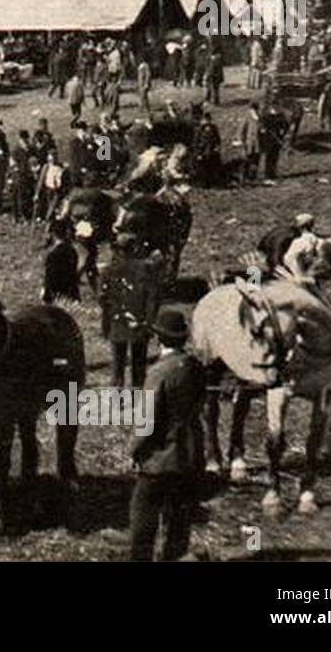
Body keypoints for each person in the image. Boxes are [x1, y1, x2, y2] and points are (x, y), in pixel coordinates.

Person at [129, 307, 206, 561]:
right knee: (178, 520)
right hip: (189, 457)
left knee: (143, 520)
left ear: (158, 338)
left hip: (158, 461)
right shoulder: (194, 366)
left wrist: (134, 451)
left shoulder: (159, 372)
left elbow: (146, 421)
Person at [99, 232, 164, 389]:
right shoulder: (147, 269)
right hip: (139, 322)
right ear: (134, 249)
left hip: (117, 321)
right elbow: (153, 299)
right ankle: (136, 400)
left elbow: (103, 299)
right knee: (139, 365)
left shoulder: (108, 271)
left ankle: (117, 400)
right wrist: (150, 322)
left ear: (118, 250)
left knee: (117, 365)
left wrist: (106, 323)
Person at [43, 218, 80, 303]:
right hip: (71, 294)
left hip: (58, 297)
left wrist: (46, 296)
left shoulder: (54, 255)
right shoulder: (72, 251)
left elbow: (51, 279)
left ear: (52, 234)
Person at [232, 101, 263, 187]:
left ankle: (252, 178)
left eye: (256, 109)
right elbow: (241, 130)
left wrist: (263, 131)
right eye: (254, 109)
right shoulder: (247, 117)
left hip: (257, 144)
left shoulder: (259, 117)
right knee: (246, 162)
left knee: (256, 161)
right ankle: (243, 179)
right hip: (248, 144)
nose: (256, 111)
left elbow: (261, 128)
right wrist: (241, 141)